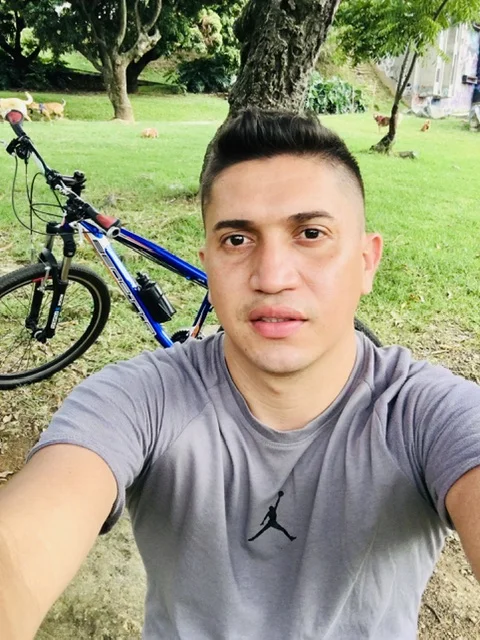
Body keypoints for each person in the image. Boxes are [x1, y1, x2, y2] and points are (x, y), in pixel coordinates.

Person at [0, 108, 479, 640]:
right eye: (236, 240)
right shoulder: (134, 400)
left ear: (367, 262)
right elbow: (21, 543)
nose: (272, 277)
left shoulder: (429, 415)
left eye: (311, 233)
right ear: (208, 265)